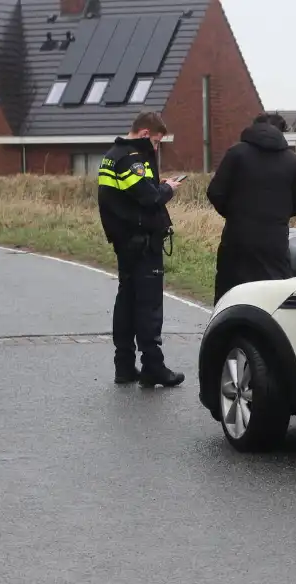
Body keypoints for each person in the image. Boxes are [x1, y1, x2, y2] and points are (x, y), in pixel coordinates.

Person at [97, 111, 185, 387]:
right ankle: (152, 366)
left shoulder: (113, 155)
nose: (156, 148)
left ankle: (124, 365)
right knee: (148, 306)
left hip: (125, 241)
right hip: (142, 241)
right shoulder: (131, 159)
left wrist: (156, 186)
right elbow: (148, 198)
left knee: (127, 302)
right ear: (146, 134)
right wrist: (168, 189)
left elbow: (132, 193)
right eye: (157, 142)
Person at [206, 111, 296, 304]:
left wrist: (234, 214)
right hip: (275, 242)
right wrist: (279, 216)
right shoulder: (291, 160)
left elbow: (215, 192)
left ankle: (227, 332)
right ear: (282, 132)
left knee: (230, 294)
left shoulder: (236, 153)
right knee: (274, 297)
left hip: (238, 238)